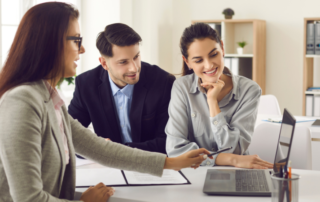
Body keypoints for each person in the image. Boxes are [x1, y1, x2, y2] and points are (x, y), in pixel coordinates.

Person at [0, 3, 211, 202]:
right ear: (50, 45)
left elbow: (100, 149)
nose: (82, 50)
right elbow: (28, 198)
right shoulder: (22, 101)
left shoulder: (49, 99)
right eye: (76, 41)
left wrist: (172, 163)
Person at [165, 23, 273, 169]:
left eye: (213, 54)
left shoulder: (249, 90)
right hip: (195, 174)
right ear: (187, 62)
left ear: (222, 48)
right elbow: (175, 150)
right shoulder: (181, 88)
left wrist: (212, 102)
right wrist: (229, 159)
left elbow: (235, 149)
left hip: (236, 173)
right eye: (198, 60)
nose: (209, 65)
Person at [68, 23, 175, 154]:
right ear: (104, 63)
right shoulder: (86, 84)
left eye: (136, 57)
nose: (134, 68)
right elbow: (68, 136)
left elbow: (168, 142)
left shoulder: (162, 81)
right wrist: (96, 147)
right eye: (123, 62)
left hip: (152, 166)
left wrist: (113, 151)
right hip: (107, 168)